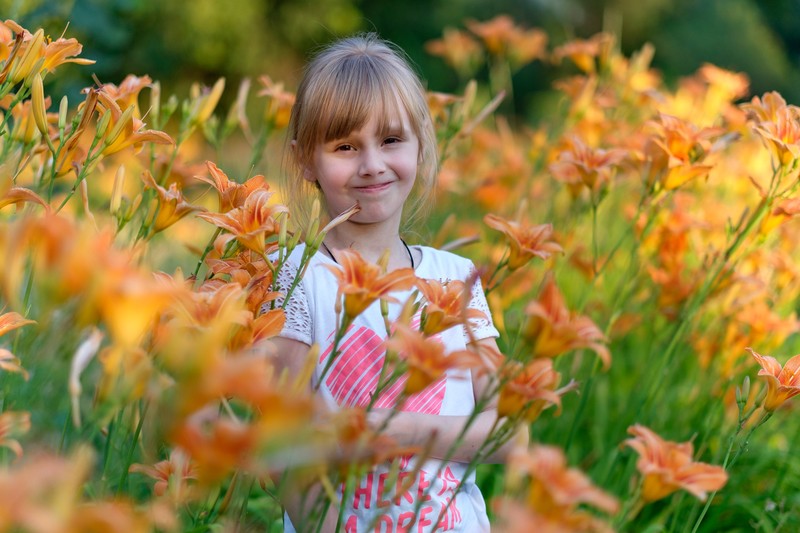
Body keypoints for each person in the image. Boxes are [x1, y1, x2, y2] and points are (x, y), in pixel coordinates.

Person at [271, 32, 520, 533]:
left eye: (390, 140)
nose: (372, 165)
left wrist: (385, 428)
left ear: (421, 143)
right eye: (345, 146)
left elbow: (511, 437)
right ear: (305, 160)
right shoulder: (294, 276)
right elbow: (286, 448)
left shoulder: (455, 278)